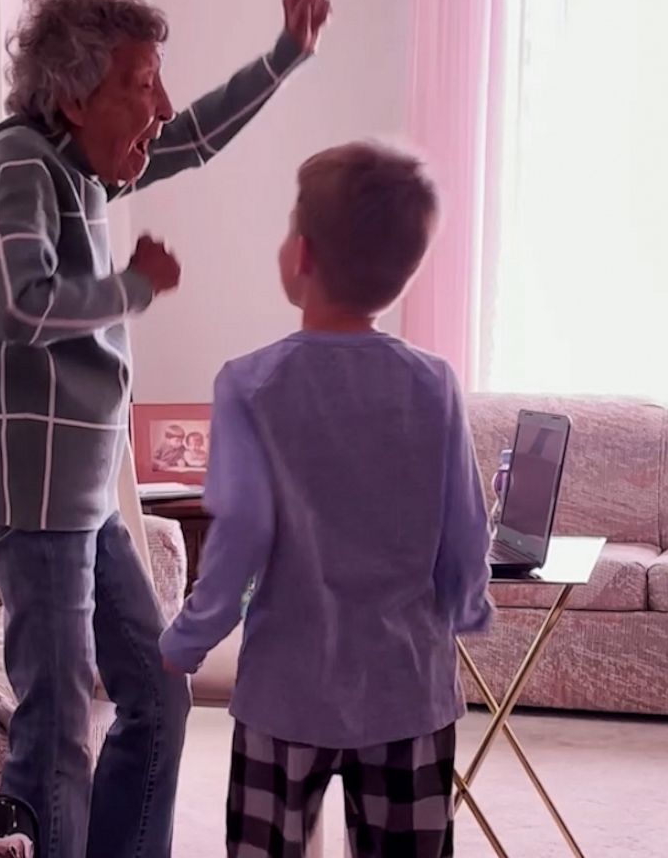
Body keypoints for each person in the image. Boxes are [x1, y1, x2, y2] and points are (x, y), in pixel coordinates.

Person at [0, 0, 330, 858]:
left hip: (80, 498)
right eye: (141, 81)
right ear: (76, 94)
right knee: (53, 734)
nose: (158, 103)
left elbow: (191, 137)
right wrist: (135, 288)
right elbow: (19, 304)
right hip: (33, 499)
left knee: (157, 691)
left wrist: (286, 57)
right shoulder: (21, 166)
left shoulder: (76, 164)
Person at [160, 142, 494, 858]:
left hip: (287, 692)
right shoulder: (434, 384)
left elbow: (238, 538)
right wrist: (467, 605)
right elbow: (465, 529)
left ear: (301, 255)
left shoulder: (249, 385)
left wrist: (188, 640)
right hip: (409, 688)